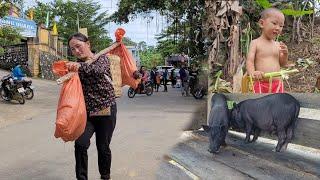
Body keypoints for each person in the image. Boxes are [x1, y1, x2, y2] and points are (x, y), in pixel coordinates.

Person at [66, 33, 116, 180]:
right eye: (72, 49)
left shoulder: (102, 59)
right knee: (80, 144)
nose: (76, 51)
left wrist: (79, 66)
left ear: (88, 44)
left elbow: (97, 71)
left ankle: (105, 176)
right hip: (87, 114)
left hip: (106, 110)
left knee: (103, 147)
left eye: (78, 46)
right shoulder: (75, 65)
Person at [246, 8, 288, 93]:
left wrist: (285, 54)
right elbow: (250, 61)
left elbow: (282, 64)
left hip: (277, 83)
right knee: (260, 105)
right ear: (262, 23)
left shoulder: (277, 45)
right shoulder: (255, 43)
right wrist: (253, 73)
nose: (278, 28)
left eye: (281, 26)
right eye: (274, 23)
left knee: (277, 104)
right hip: (261, 84)